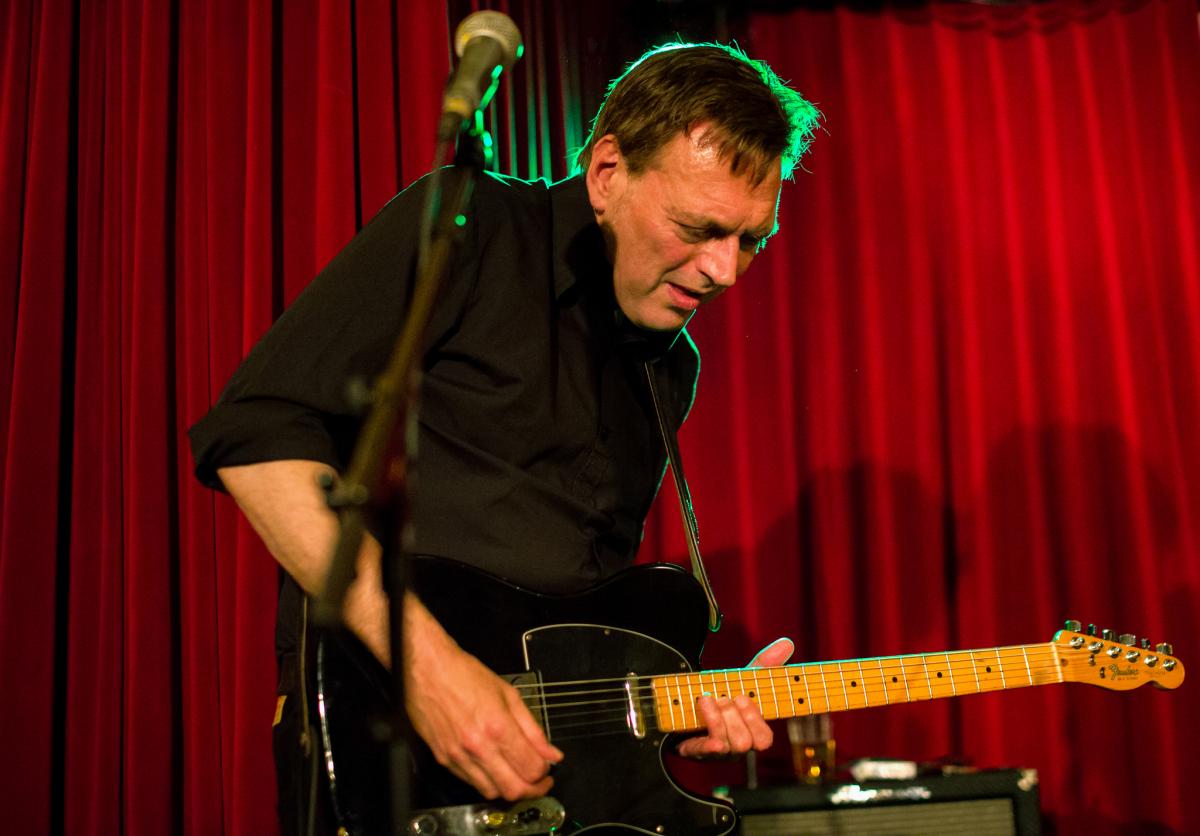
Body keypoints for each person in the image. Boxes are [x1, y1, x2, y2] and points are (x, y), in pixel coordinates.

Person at [189, 40, 820, 830]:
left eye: (751, 239)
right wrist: (433, 675)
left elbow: (582, 619)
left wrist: (671, 711)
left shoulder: (670, 366)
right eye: (699, 228)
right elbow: (252, 433)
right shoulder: (472, 229)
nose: (724, 270)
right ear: (607, 172)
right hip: (383, 739)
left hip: (545, 788)